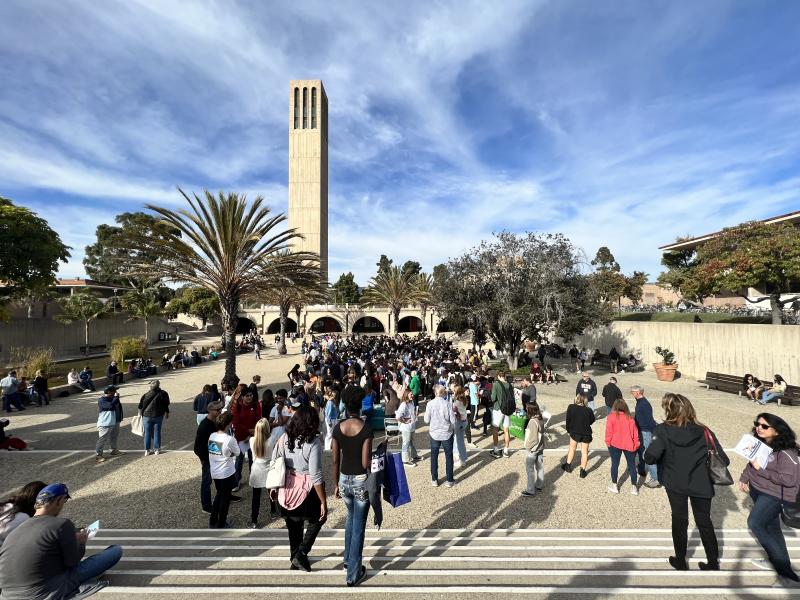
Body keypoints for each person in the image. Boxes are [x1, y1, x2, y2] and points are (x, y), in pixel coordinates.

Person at [644, 393, 728, 571]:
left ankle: (681, 560)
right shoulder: (704, 430)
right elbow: (724, 459)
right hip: (701, 482)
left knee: (679, 520)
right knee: (704, 521)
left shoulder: (663, 430)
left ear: (669, 410)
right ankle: (713, 562)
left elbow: (650, 457)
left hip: (675, 482)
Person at [0, 483, 123, 599]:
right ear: (59, 501)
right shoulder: (62, 524)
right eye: (64, 501)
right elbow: (72, 563)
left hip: (7, 595)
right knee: (115, 551)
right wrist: (80, 543)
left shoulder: (16, 531)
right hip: (45, 592)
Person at [739, 413, 800, 587]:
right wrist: (745, 477)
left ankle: (785, 572)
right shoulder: (760, 442)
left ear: (777, 430)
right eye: (757, 424)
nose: (759, 428)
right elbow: (752, 463)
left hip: (774, 494)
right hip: (758, 489)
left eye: (764, 426)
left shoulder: (787, 451)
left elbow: (789, 479)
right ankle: (779, 560)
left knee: (755, 524)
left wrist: (761, 469)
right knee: (772, 527)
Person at [270, 404, 327, 572]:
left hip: (286, 486)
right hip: (306, 487)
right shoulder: (313, 442)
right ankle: (301, 553)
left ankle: (294, 556)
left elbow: (275, 461)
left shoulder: (284, 438)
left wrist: (274, 487)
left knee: (293, 524)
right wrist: (323, 500)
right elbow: (315, 474)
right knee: (318, 518)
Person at [332, 388, 373, 587]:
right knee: (359, 525)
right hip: (359, 479)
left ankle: (347, 559)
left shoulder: (338, 427)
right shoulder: (365, 428)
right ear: (360, 405)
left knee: (350, 517)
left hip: (343, 478)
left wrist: (335, 484)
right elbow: (366, 463)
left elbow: (334, 459)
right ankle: (353, 574)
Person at [208, 411, 240, 528]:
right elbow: (237, 452)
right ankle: (222, 522)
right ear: (228, 424)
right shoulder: (229, 439)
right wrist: (229, 455)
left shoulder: (212, 436)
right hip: (226, 472)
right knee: (225, 499)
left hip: (215, 472)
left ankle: (213, 520)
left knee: (218, 495)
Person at [193, 400, 224, 515]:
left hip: (214, 456)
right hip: (207, 457)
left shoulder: (215, 421)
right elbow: (199, 447)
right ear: (210, 411)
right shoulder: (205, 426)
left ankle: (222, 497)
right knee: (207, 480)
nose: (220, 411)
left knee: (219, 478)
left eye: (221, 408)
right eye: (217, 410)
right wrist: (208, 459)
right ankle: (206, 506)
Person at [605, 398, 640, 495]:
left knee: (615, 464)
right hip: (629, 445)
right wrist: (636, 444)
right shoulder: (630, 418)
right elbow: (635, 434)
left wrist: (608, 442)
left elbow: (609, 432)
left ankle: (614, 485)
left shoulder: (611, 417)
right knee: (632, 465)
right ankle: (634, 487)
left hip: (615, 444)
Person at [425, 384, 455, 487]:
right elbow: (453, 420)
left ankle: (434, 479)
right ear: (443, 393)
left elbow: (426, 420)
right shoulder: (448, 404)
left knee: (434, 456)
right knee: (449, 456)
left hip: (434, 433)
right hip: (446, 432)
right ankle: (449, 480)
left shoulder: (430, 404)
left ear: (435, 393)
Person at [232, 390, 262, 490]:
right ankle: (236, 481)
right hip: (241, 437)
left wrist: (253, 432)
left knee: (252, 458)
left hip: (253, 436)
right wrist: (248, 431)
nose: (250, 397)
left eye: (251, 395)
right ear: (242, 397)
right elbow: (236, 423)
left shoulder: (256, 405)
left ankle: (253, 478)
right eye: (247, 396)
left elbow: (259, 419)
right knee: (239, 459)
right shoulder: (237, 407)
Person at [631, 385, 660, 488]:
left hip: (646, 432)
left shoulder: (644, 404)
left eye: (632, 392)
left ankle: (656, 479)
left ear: (638, 392)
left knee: (647, 454)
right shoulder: (640, 402)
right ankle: (642, 470)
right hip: (642, 431)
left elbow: (649, 420)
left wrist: (654, 433)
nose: (631, 393)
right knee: (641, 451)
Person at [562, 394, 595, 478]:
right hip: (586, 433)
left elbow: (568, 420)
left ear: (577, 399)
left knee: (572, 448)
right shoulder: (589, 410)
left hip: (575, 432)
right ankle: (582, 471)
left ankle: (568, 465)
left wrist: (568, 430)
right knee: (584, 452)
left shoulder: (571, 407)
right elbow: (592, 420)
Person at [248, 417, 271, 528]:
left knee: (255, 497)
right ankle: (273, 510)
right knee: (271, 491)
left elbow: (253, 457)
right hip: (268, 468)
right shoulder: (272, 441)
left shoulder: (252, 440)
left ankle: (254, 520)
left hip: (257, 469)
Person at [138, 379, 170, 456]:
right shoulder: (163, 393)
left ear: (151, 386)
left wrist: (140, 414)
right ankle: (157, 449)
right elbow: (166, 404)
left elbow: (140, 406)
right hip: (158, 415)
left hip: (147, 415)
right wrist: (167, 412)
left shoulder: (146, 394)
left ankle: (147, 450)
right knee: (157, 432)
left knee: (147, 433)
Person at [521, 401, 545, 497]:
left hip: (533, 449)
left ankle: (530, 490)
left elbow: (533, 438)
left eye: (527, 408)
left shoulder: (532, 421)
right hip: (541, 447)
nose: (526, 410)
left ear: (530, 410)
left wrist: (528, 447)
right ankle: (539, 484)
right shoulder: (540, 418)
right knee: (540, 467)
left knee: (530, 469)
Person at [95, 386, 123, 463]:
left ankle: (114, 450)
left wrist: (120, 418)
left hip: (115, 421)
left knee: (114, 436)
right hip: (105, 423)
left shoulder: (113, 398)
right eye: (114, 391)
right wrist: (116, 398)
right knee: (102, 438)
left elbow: (118, 408)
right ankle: (98, 455)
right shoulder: (102, 400)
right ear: (109, 392)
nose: (116, 393)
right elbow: (110, 406)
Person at [490, 370, 514, 459]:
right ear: (504, 376)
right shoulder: (509, 385)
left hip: (498, 409)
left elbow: (493, 398)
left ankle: (496, 450)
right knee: (506, 430)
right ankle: (506, 450)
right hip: (508, 409)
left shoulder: (496, 384)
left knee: (495, 429)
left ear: (498, 376)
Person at [397, 389, 420, 466]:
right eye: (411, 394)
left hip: (411, 426)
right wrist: (404, 421)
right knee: (406, 443)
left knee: (411, 442)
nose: (412, 395)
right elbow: (398, 416)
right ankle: (405, 460)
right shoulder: (404, 404)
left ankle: (414, 455)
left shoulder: (411, 402)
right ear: (406, 395)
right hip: (406, 428)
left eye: (412, 394)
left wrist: (415, 414)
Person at [452, 385, 469, 468]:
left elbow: (454, 411)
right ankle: (463, 458)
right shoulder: (465, 400)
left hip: (459, 422)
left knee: (457, 440)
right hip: (465, 421)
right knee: (461, 440)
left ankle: (458, 458)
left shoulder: (456, 402)